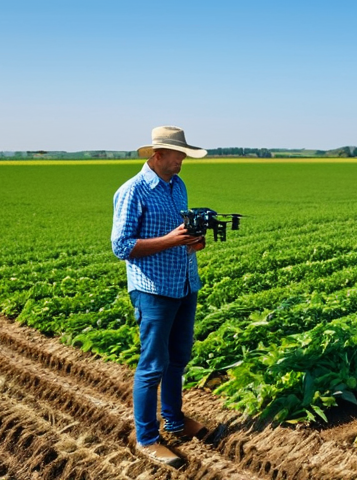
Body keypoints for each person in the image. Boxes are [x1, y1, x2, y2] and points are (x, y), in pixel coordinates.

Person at [111, 126, 209, 466]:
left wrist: (195, 242)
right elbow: (121, 246)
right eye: (178, 154)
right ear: (158, 155)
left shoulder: (177, 186)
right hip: (153, 289)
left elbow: (182, 236)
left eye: (184, 155)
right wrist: (170, 239)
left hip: (184, 282)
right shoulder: (132, 191)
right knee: (152, 365)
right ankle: (147, 438)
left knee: (178, 358)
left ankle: (176, 423)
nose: (182, 160)